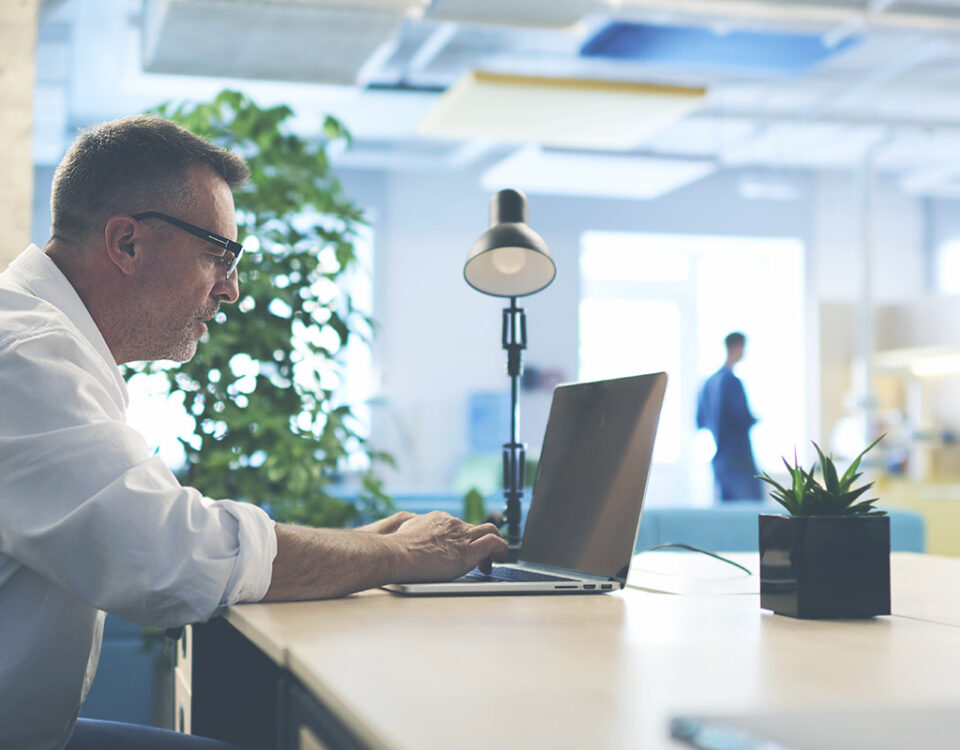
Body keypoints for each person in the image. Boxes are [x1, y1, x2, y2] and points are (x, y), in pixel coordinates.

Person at [0, 116, 508, 750]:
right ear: (126, 243)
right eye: (219, 255)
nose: (232, 289)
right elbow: (168, 556)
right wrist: (401, 554)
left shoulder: (45, 342)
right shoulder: (23, 354)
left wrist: (352, 548)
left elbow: (160, 534)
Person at [696, 332, 763, 501]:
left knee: (726, 517)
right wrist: (754, 419)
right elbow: (742, 418)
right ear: (737, 346)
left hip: (720, 461)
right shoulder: (732, 382)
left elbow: (700, 420)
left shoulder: (708, 383)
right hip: (739, 460)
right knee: (752, 515)